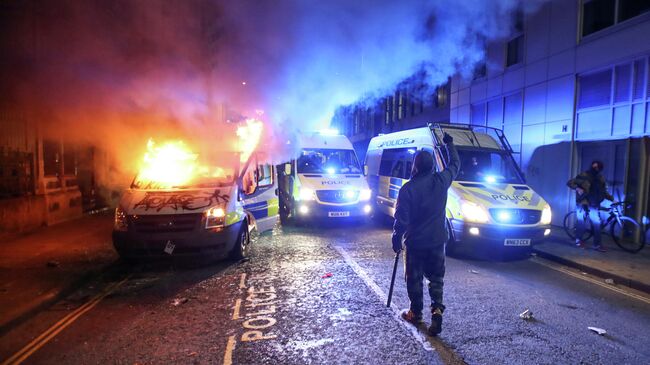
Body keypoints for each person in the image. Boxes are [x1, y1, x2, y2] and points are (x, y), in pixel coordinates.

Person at [392, 132, 460, 336]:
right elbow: (455, 165)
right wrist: (450, 144)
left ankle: (415, 313)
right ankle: (437, 313)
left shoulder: (408, 189)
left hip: (416, 243)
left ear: (416, 166)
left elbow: (401, 220)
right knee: (436, 278)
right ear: (432, 166)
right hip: (438, 241)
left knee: (414, 279)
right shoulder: (441, 181)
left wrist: (396, 239)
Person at [566, 160, 614, 252]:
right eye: (594, 167)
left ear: (600, 168)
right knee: (581, 222)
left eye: (597, 167)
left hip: (594, 203)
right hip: (583, 202)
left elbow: (604, 192)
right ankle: (578, 241)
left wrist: (612, 199)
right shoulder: (584, 175)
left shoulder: (601, 178)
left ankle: (597, 245)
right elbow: (570, 183)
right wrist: (578, 188)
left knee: (597, 224)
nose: (595, 168)